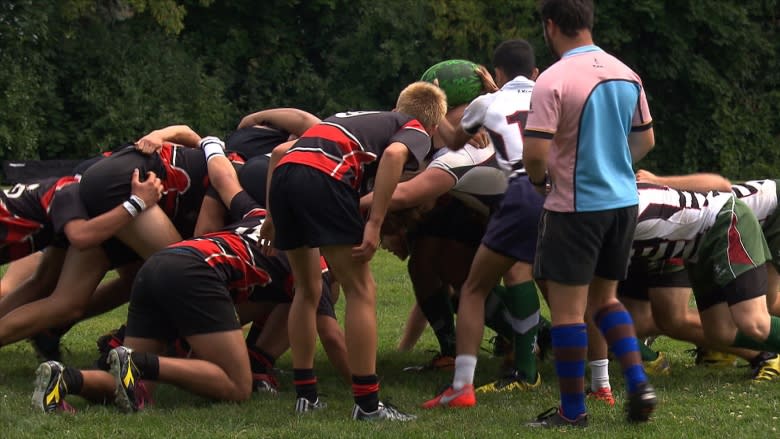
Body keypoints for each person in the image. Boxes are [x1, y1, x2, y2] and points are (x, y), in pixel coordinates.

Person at [260, 81, 447, 421]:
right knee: (361, 290)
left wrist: (272, 215)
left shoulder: (353, 118)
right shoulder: (415, 128)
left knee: (306, 289)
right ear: (433, 126)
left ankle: (306, 396)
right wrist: (375, 222)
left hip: (287, 178)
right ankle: (367, 404)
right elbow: (393, 155)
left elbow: (278, 154)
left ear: (396, 104)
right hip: (324, 179)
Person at [522, 0, 657, 428]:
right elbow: (645, 141)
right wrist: (613, 163)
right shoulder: (626, 73)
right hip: (622, 203)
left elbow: (535, 154)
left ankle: (573, 411)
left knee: (568, 312)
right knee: (606, 299)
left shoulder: (554, 78)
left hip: (575, 207)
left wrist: (542, 180)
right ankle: (638, 381)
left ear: (550, 25)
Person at [421, 39, 547, 409]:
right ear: (536, 72)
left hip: (523, 192)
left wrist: (436, 105)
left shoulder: (486, 103)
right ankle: (603, 378)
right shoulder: (555, 94)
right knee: (562, 287)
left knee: (473, 290)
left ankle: (463, 386)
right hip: (569, 192)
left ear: (497, 74)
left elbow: (454, 141)